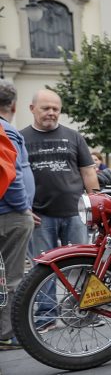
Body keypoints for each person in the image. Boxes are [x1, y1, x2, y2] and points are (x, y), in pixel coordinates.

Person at [21, 89, 99, 257]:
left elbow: (88, 173)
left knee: (78, 265)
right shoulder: (20, 139)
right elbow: (14, 177)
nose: (51, 112)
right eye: (45, 108)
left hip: (75, 214)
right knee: (41, 268)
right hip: (39, 217)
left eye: (55, 109)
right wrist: (23, 209)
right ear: (32, 108)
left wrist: (95, 207)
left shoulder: (74, 137)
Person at [0, 81, 35, 350]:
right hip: (10, 214)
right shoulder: (7, 130)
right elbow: (10, 174)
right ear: (14, 105)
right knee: (12, 278)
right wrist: (23, 207)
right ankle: (7, 333)